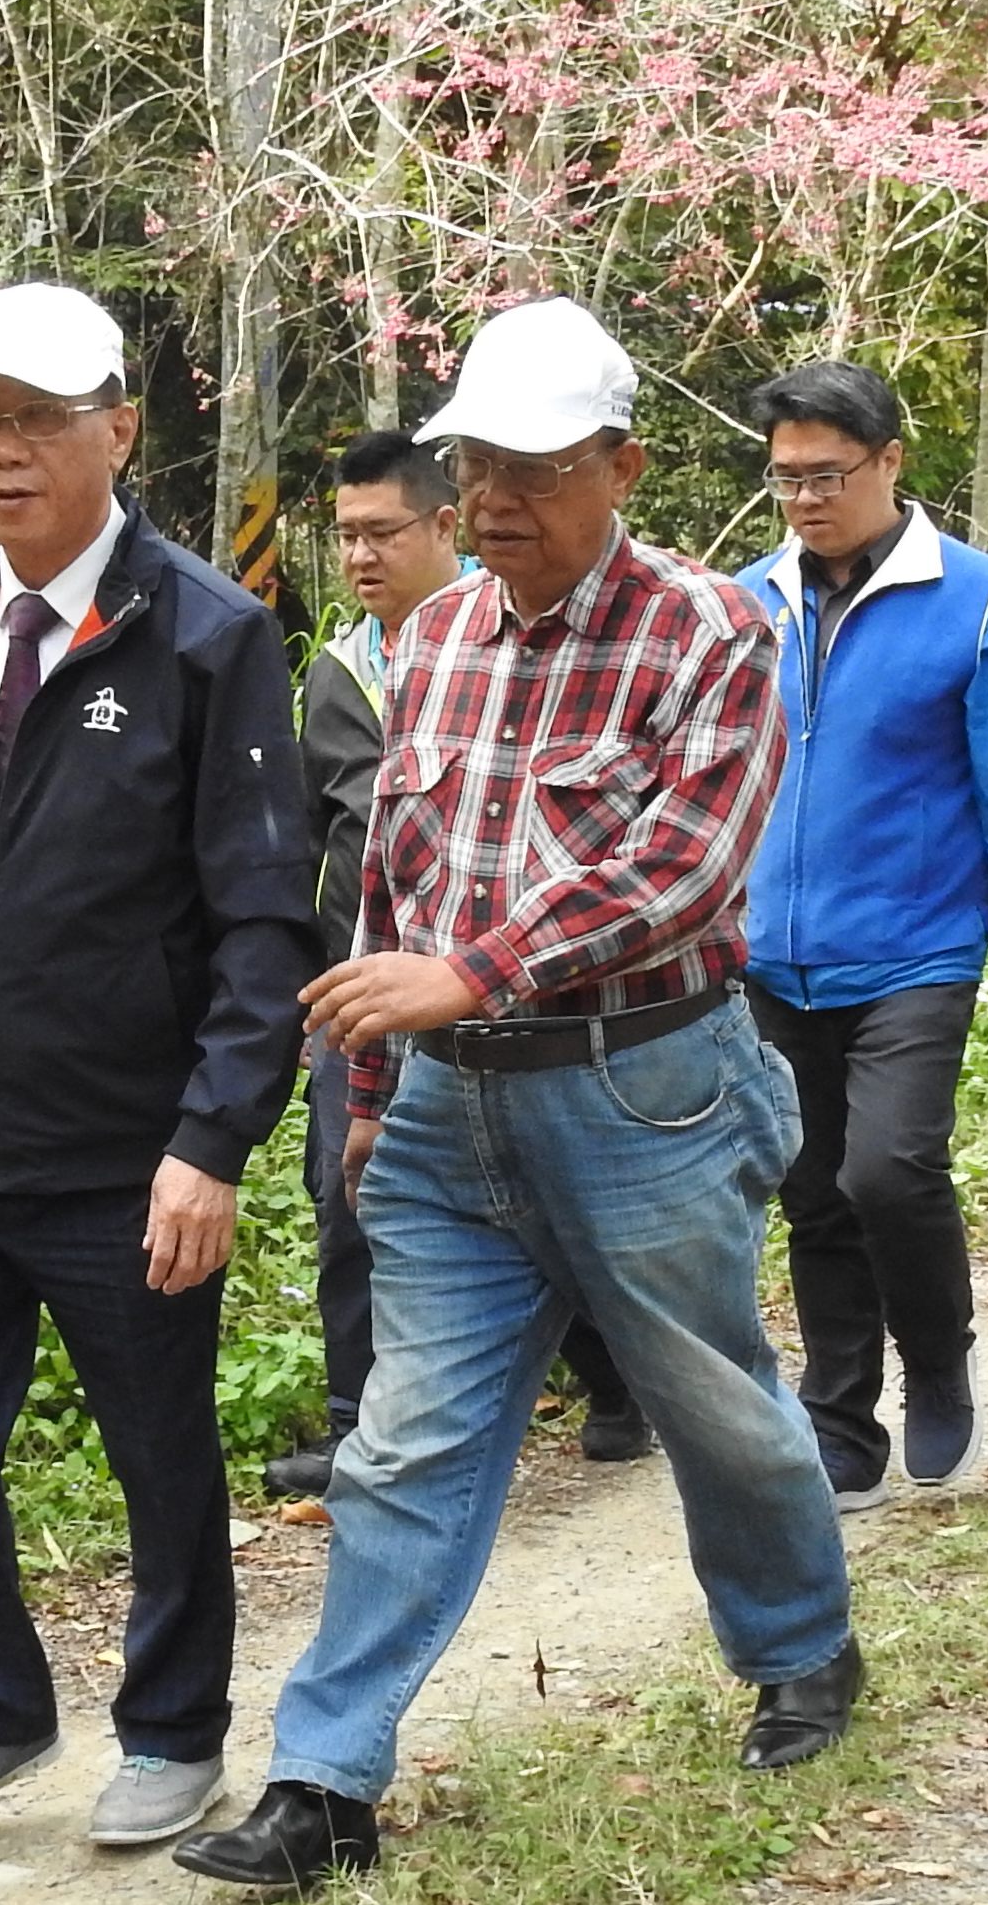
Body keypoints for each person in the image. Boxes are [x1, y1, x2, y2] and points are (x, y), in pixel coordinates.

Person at [175, 298, 857, 1897]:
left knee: (709, 1398)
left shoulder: (709, 629)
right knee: (402, 1439)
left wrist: (471, 972)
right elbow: (391, 874)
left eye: (535, 466)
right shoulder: (430, 638)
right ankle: (322, 1778)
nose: (492, 496)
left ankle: (800, 1648)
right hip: (438, 1112)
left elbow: (681, 869)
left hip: (643, 1094)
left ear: (618, 465)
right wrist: (364, 1073)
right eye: (474, 460)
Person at [0, 281, 321, 1852]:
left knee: (157, 1449)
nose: (4, 452)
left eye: (40, 419)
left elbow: (265, 912)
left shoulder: (206, 632)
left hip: (131, 1154)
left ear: (118, 427)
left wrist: (211, 1137)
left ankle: (174, 1726)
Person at [270, 434, 648, 1500]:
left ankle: (622, 1382)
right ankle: (364, 1430)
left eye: (380, 531)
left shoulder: (544, 634)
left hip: (532, 1001)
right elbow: (336, 846)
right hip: (370, 998)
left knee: (550, 1218)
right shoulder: (341, 675)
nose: (358, 556)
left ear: (447, 523)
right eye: (343, 536)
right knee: (350, 1201)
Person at [733, 361, 988, 1512]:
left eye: (827, 474)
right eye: (785, 478)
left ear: (890, 462)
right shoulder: (749, 601)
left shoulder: (978, 600)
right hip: (771, 953)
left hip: (919, 948)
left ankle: (936, 1357)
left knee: (887, 1170)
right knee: (812, 1185)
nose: (804, 499)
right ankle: (839, 1416)